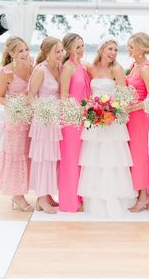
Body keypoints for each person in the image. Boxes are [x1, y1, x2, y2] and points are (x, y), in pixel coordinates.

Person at [77, 38, 136, 218]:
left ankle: (113, 197)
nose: (113, 53)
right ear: (102, 49)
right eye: (110, 49)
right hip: (94, 120)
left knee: (111, 159)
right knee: (94, 159)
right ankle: (94, 197)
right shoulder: (90, 68)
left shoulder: (116, 69)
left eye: (116, 50)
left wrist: (110, 111)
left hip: (112, 121)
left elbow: (123, 96)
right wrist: (92, 110)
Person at [0, 36, 33, 211]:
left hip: (31, 119)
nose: (25, 53)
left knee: (28, 155)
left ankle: (26, 192)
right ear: (12, 53)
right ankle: (17, 196)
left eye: (26, 49)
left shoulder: (33, 67)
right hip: (15, 121)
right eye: (20, 50)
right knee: (16, 156)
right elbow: (0, 95)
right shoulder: (6, 72)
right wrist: (12, 106)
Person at [28, 37, 63, 214]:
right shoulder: (40, 70)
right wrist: (41, 112)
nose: (61, 54)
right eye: (57, 51)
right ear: (47, 53)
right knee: (43, 158)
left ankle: (48, 194)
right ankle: (41, 198)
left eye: (62, 51)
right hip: (43, 120)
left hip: (55, 119)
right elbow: (31, 96)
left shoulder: (59, 67)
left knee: (52, 159)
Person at [59, 33, 90, 212]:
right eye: (77, 46)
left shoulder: (82, 67)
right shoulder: (67, 67)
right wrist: (73, 112)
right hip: (71, 121)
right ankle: (69, 201)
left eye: (83, 45)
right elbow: (63, 95)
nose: (81, 49)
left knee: (80, 160)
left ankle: (80, 197)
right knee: (70, 160)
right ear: (69, 48)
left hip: (83, 119)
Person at [126, 32, 149, 212]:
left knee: (139, 156)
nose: (128, 49)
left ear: (140, 48)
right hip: (130, 117)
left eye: (131, 46)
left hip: (140, 117)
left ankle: (144, 196)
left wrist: (132, 108)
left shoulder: (145, 68)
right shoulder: (133, 65)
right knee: (132, 156)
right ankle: (139, 193)